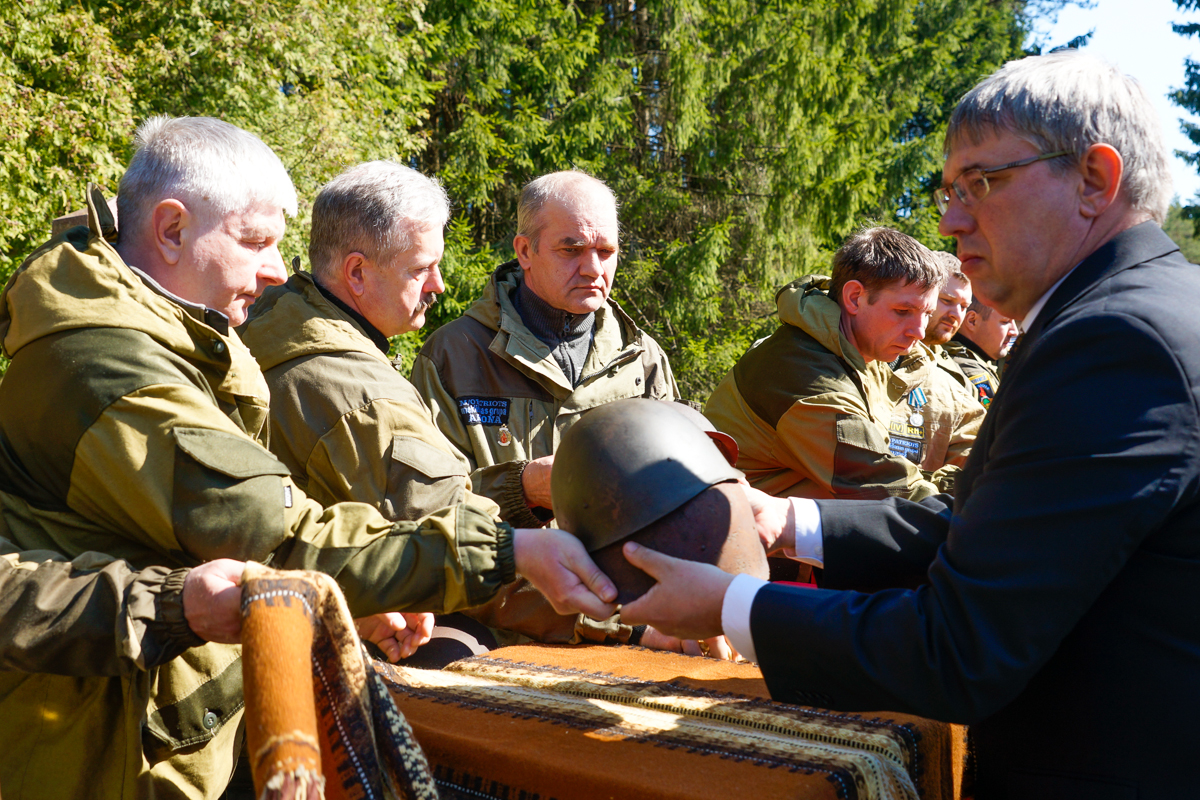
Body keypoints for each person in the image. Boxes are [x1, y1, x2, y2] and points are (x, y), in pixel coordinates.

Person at [619, 51, 1200, 797]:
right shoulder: (1139, 312)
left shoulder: (1113, 340)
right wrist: (786, 520)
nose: (951, 220)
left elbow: (958, 648)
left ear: (1094, 179)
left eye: (982, 183)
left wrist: (730, 605)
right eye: (948, 190)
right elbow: (980, 523)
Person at [0, 117, 616, 800]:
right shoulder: (111, 367)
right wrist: (511, 552)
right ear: (171, 230)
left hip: (173, 720)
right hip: (109, 751)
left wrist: (345, 597)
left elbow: (189, 531)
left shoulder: (167, 333)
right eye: (257, 241)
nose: (274, 270)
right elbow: (272, 530)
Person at [240, 162, 666, 652]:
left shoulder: (275, 329)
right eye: (421, 268)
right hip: (515, 626)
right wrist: (630, 623)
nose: (438, 285)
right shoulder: (374, 391)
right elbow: (461, 544)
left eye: (606, 251)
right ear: (356, 272)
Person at [410, 170, 678, 528]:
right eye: (571, 250)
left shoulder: (641, 359)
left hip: (620, 580)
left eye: (606, 251)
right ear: (525, 251)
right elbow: (421, 504)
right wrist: (520, 489)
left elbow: (675, 492)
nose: (593, 269)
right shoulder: (454, 357)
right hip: (504, 579)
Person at [705, 227, 946, 501]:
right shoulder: (808, 377)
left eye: (927, 313)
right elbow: (888, 490)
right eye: (903, 311)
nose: (920, 331)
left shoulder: (861, 355)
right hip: (739, 534)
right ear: (855, 297)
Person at [885, 252, 985, 490]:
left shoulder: (960, 382)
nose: (956, 315)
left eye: (963, 306)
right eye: (947, 300)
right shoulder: (874, 353)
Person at [944, 296, 1020, 406]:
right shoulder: (970, 371)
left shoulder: (972, 358)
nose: (1014, 332)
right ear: (972, 321)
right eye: (1005, 321)